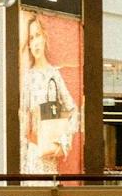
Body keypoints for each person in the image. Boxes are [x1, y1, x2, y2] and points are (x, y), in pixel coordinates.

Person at [18, 13, 78, 176]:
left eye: (37, 35)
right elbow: (23, 118)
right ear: (28, 44)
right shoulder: (28, 77)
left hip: (48, 151)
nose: (35, 42)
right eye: (31, 38)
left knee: (48, 193)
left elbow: (73, 110)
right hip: (32, 150)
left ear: (44, 37)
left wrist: (62, 141)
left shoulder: (54, 75)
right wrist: (21, 160)